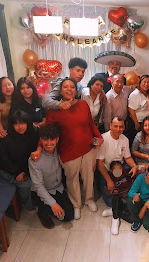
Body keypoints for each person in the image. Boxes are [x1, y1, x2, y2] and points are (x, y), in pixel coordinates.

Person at [44, 78, 103, 219]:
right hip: (68, 150)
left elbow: (91, 123)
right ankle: (76, 204)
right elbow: (47, 132)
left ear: (76, 91)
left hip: (88, 148)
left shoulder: (83, 104)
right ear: (61, 90)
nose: (69, 89)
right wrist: (40, 148)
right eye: (66, 87)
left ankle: (89, 199)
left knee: (88, 176)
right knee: (72, 179)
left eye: (72, 87)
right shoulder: (54, 110)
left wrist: (99, 137)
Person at [29, 125, 74, 229]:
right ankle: (42, 212)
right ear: (41, 140)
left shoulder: (59, 150)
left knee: (68, 216)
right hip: (41, 191)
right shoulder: (34, 160)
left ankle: (49, 207)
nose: (48, 143)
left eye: (52, 139)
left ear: (57, 139)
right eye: (45, 139)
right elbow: (38, 186)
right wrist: (53, 204)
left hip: (57, 188)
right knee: (49, 207)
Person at [0, 110, 39, 211]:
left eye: (23, 123)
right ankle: (27, 205)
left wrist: (25, 171)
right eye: (16, 124)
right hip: (8, 170)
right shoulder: (5, 138)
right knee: (26, 184)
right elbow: (3, 160)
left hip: (25, 167)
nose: (20, 127)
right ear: (12, 125)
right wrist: (17, 173)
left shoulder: (33, 134)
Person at [97, 117, 138, 208]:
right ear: (110, 126)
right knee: (110, 202)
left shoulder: (125, 139)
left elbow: (128, 158)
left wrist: (134, 166)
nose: (118, 129)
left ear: (124, 127)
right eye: (115, 126)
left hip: (120, 167)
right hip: (107, 169)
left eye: (121, 127)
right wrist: (109, 180)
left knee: (133, 177)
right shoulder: (103, 139)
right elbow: (99, 164)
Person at [103, 161, 133, 235]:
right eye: (116, 170)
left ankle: (114, 210)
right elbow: (107, 191)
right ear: (111, 171)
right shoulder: (110, 178)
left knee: (132, 219)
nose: (118, 171)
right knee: (115, 196)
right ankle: (115, 218)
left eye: (120, 169)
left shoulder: (127, 173)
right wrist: (113, 191)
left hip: (127, 199)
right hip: (116, 199)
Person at [128, 75, 149, 145]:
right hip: (136, 122)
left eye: (148, 82)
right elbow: (131, 109)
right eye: (144, 82)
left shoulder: (147, 93)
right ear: (140, 83)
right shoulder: (135, 94)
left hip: (144, 122)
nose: (146, 84)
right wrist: (136, 123)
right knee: (135, 141)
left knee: (142, 142)